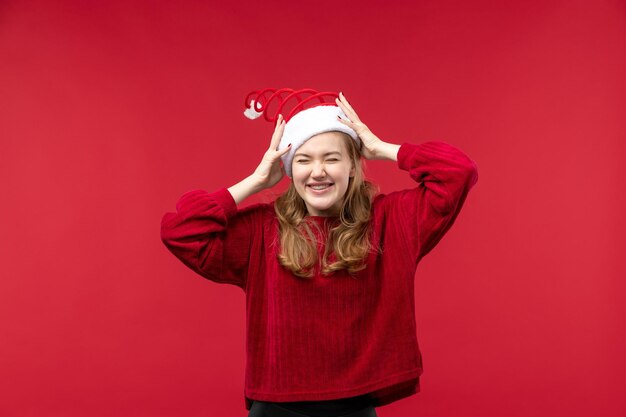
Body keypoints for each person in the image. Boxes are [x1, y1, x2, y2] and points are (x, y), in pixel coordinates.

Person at [160, 88, 479, 417]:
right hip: (275, 408)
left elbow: (458, 172)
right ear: (288, 169)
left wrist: (380, 148)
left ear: (353, 167)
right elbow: (181, 230)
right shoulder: (261, 230)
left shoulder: (391, 221)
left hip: (355, 406)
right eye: (303, 159)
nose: (318, 171)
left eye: (332, 158)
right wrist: (256, 181)